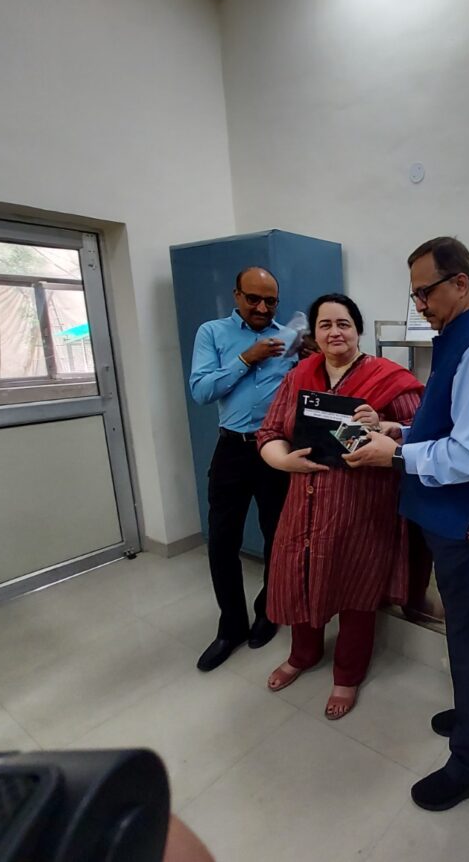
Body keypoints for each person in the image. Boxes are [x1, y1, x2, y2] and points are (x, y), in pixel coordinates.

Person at [344, 236, 469, 812]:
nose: (419, 304)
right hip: (449, 519)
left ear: (461, 283)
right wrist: (397, 432)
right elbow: (446, 426)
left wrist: (396, 455)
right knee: (468, 634)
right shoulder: (455, 339)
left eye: (425, 292)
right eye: (414, 295)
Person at [256, 293, 423, 718]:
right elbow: (270, 431)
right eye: (325, 324)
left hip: (361, 509)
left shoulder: (388, 377)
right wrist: (284, 462)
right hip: (303, 504)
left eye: (343, 323)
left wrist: (385, 425)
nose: (335, 332)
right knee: (300, 577)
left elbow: (421, 430)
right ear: (314, 334)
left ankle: (348, 675)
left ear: (358, 330)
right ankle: (303, 654)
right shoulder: (299, 376)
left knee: (355, 589)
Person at [188, 266, 297, 672]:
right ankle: (231, 626)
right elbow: (201, 391)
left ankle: (268, 610)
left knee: (276, 537)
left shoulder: (290, 338)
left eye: (270, 301)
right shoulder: (212, 333)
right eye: (253, 299)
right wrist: (246, 359)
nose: (262, 308)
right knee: (222, 541)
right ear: (236, 296)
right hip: (232, 448)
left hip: (275, 450)